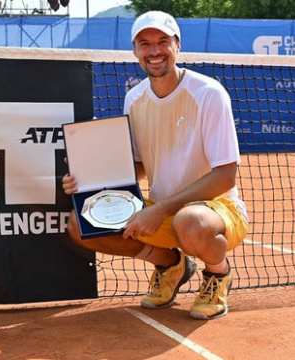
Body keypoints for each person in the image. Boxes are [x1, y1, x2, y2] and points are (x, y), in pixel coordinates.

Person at [62, 11, 248, 320]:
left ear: (177, 46)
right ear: (135, 51)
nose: (154, 51)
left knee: (189, 222)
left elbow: (226, 175)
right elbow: (136, 167)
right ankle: (170, 264)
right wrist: (89, 177)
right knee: (79, 223)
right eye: (145, 43)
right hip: (164, 212)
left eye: (163, 41)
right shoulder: (134, 99)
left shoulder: (209, 94)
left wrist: (160, 210)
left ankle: (217, 274)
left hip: (217, 212)